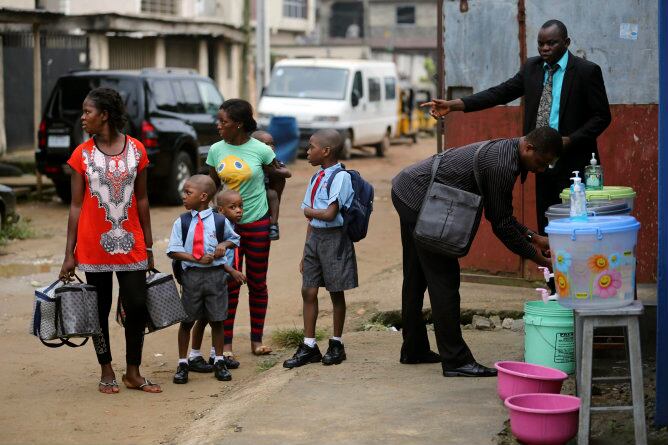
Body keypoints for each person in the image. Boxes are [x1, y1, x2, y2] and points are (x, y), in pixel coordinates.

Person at [391, 127, 562, 377]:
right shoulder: (503, 165)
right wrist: (538, 256)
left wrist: (535, 238)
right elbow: (501, 223)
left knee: (416, 275)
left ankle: (414, 348)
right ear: (529, 148)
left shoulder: (510, 151)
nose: (541, 170)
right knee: (445, 280)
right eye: (540, 162)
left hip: (409, 190)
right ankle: (456, 360)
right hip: (418, 199)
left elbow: (501, 217)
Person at [422, 19, 611, 233]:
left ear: (566, 43)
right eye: (540, 44)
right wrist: (455, 105)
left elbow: (602, 117)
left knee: (579, 225)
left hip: (575, 164)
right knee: (548, 226)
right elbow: (500, 93)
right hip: (543, 162)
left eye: (551, 43)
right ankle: (550, 266)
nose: (545, 49)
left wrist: (570, 140)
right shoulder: (532, 68)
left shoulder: (587, 72)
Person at [58, 87, 161, 394]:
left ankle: (133, 371)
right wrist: (69, 253)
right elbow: (75, 205)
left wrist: (150, 246)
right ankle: (106, 369)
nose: (83, 118)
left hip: (132, 244)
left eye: (87, 112)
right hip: (92, 245)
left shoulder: (137, 151)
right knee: (99, 308)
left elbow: (142, 200)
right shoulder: (82, 154)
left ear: (104, 115)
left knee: (138, 304)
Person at [207, 99, 285, 362]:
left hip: (257, 223)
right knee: (229, 283)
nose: (218, 125)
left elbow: (276, 178)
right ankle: (226, 344)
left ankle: (257, 340)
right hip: (227, 229)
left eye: (223, 122)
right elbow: (211, 184)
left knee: (257, 283)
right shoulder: (216, 150)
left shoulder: (261, 150)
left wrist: (273, 216)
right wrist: (210, 217)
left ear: (238, 124)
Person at [283, 129, 358, 369]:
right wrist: (306, 252)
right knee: (309, 291)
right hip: (315, 238)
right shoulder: (316, 178)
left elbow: (329, 213)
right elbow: (313, 220)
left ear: (325, 151)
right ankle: (309, 345)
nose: (307, 151)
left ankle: (336, 343)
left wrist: (310, 212)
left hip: (335, 239)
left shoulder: (341, 178)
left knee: (336, 291)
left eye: (311, 147)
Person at [167, 175, 242, 384]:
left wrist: (223, 246)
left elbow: (234, 239)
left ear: (203, 196)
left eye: (188, 193)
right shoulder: (181, 222)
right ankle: (183, 363)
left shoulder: (220, 221)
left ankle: (219, 360)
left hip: (216, 277)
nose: (184, 196)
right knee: (187, 321)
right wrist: (194, 258)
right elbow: (173, 250)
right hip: (192, 277)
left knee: (218, 319)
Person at [188, 189, 247, 371]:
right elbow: (212, 257)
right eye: (233, 207)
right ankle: (194, 356)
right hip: (211, 278)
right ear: (221, 210)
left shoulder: (231, 227)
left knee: (217, 318)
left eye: (240, 206)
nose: (239, 211)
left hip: (223, 280)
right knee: (203, 318)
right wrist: (232, 271)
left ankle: (216, 355)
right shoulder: (214, 227)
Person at [251, 130, 292, 241]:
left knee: (272, 194)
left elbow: (287, 173)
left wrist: (272, 170)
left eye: (272, 144)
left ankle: (273, 224)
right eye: (266, 144)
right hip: (249, 193)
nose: (271, 147)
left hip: (265, 192)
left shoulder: (273, 161)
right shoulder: (250, 161)